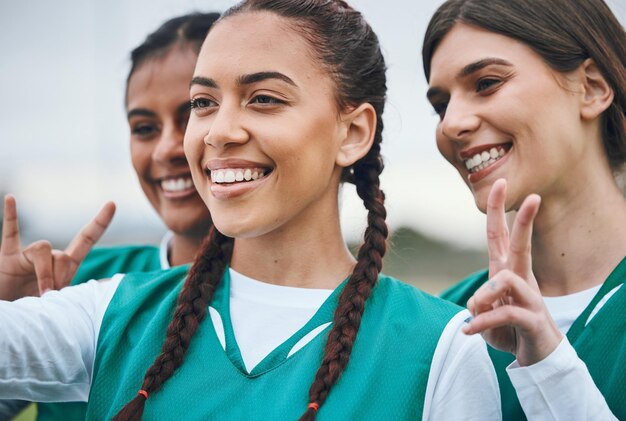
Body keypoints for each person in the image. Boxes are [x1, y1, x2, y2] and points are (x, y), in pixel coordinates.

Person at [0, 1, 507, 419]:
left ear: (352, 133)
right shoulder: (109, 314)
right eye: (204, 102)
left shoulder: (440, 351)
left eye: (263, 99)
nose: (219, 131)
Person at [0, 12, 220, 421]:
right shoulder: (78, 286)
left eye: (191, 115)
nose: (165, 149)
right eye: (144, 128)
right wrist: (10, 310)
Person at [422, 0, 626, 419]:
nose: (450, 124)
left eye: (486, 83)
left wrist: (548, 365)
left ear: (591, 87)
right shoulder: (446, 323)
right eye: (441, 105)